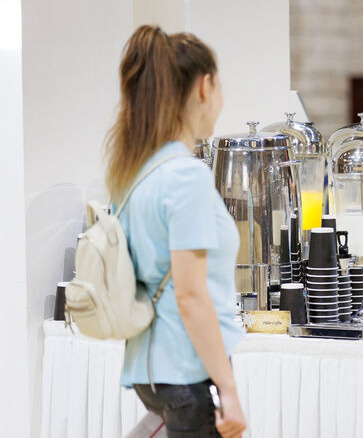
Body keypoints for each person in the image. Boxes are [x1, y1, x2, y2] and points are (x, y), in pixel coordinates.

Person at [105, 25, 247, 437]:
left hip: (149, 369)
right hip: (188, 369)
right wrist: (229, 387)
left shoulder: (133, 173)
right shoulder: (186, 177)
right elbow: (190, 294)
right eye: (219, 85)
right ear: (205, 87)